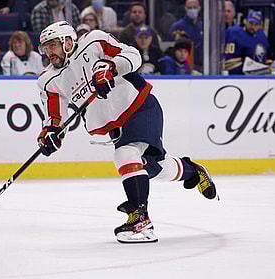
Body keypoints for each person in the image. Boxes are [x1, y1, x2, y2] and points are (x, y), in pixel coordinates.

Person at [36, 21, 218, 243]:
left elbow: (133, 55)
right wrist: (51, 132)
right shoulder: (49, 80)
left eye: (53, 45)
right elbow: (55, 116)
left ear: (67, 42)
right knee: (158, 168)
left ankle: (140, 221)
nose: (49, 52)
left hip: (139, 105)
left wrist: (110, 67)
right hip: (115, 125)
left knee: (125, 155)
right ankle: (195, 171)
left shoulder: (94, 42)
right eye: (45, 47)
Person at [224, 11, 270, 75]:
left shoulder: (261, 36)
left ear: (260, 25)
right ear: (246, 21)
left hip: (258, 77)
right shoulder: (233, 33)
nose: (252, 26)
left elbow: (264, 59)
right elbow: (228, 63)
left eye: (256, 24)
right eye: (251, 23)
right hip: (238, 76)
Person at [167, 0, 203, 72]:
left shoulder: (204, 26)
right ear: (185, 8)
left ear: (199, 8)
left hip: (202, 66)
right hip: (183, 67)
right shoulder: (177, 27)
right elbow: (170, 47)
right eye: (189, 8)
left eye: (195, 7)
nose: (192, 10)